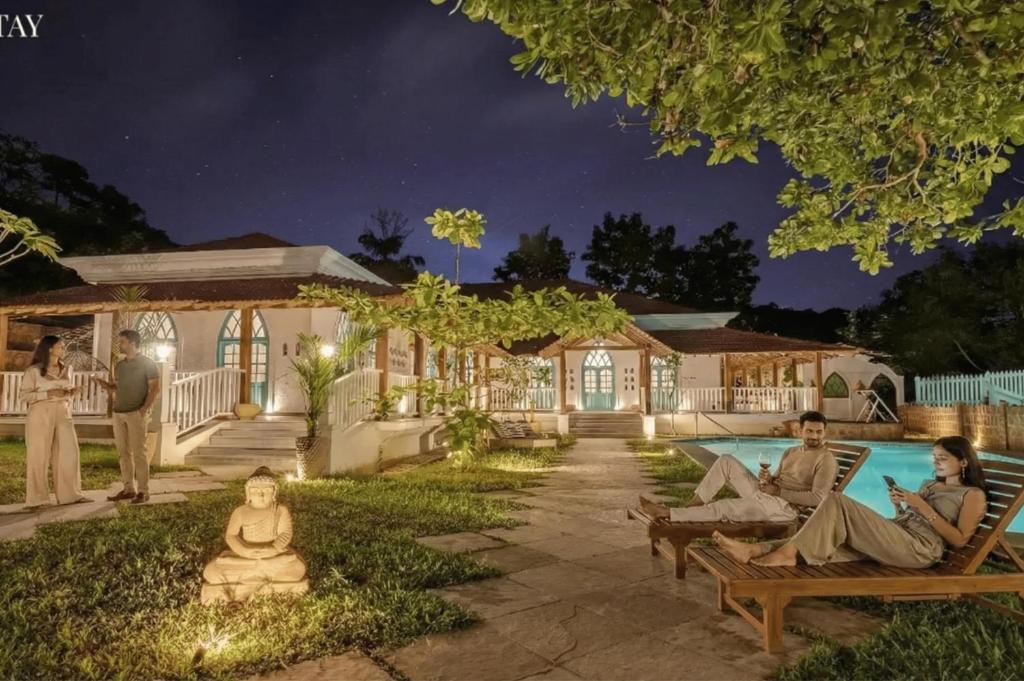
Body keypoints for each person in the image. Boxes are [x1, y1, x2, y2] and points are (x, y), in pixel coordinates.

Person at [715, 436, 988, 568]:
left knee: (837, 501)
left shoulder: (972, 495)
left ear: (963, 462)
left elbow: (960, 540)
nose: (936, 462)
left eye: (943, 458)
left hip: (920, 549)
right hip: (900, 533)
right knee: (828, 537)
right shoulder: (930, 484)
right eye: (934, 457)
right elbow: (911, 515)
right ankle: (754, 550)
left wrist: (922, 507)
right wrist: (899, 505)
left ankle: (784, 555)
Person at [639, 411, 837, 523]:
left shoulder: (826, 460)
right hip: (768, 496)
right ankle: (694, 504)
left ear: (824, 432)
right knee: (726, 460)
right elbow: (778, 478)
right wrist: (768, 479)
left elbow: (817, 498)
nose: (814, 436)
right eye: (809, 431)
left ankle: (668, 513)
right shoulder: (792, 452)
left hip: (784, 508)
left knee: (724, 506)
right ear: (800, 430)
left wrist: (777, 491)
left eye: (819, 432)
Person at [19, 335, 90, 509]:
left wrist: (72, 392)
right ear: (50, 348)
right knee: (38, 456)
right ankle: (37, 499)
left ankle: (70, 495)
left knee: (69, 453)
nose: (63, 349)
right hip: (40, 414)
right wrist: (47, 395)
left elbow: (64, 392)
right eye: (60, 346)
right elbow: (24, 396)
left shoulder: (67, 369)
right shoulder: (34, 371)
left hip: (63, 414)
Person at [92, 329, 160, 504]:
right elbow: (118, 388)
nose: (119, 345)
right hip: (119, 413)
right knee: (123, 453)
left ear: (132, 343)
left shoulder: (148, 363)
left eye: (122, 342)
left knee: (139, 453)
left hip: (136, 413)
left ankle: (143, 491)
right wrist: (106, 385)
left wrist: (144, 409)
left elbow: (154, 389)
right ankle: (128, 489)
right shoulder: (121, 365)